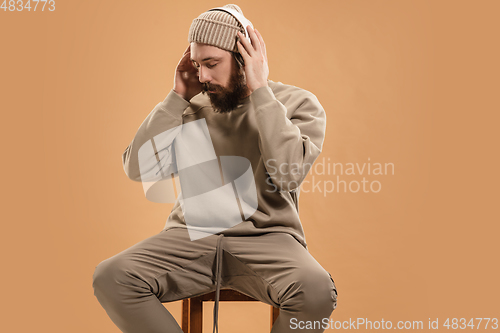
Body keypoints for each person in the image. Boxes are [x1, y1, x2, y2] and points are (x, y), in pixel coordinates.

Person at [92, 4, 338, 333]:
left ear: (244, 57)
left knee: (316, 291)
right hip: (190, 238)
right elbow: (139, 169)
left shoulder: (296, 103)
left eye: (211, 64)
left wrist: (261, 90)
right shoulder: (189, 107)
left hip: (268, 240)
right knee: (112, 276)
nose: (203, 76)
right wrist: (177, 96)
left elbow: (287, 174)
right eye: (196, 65)